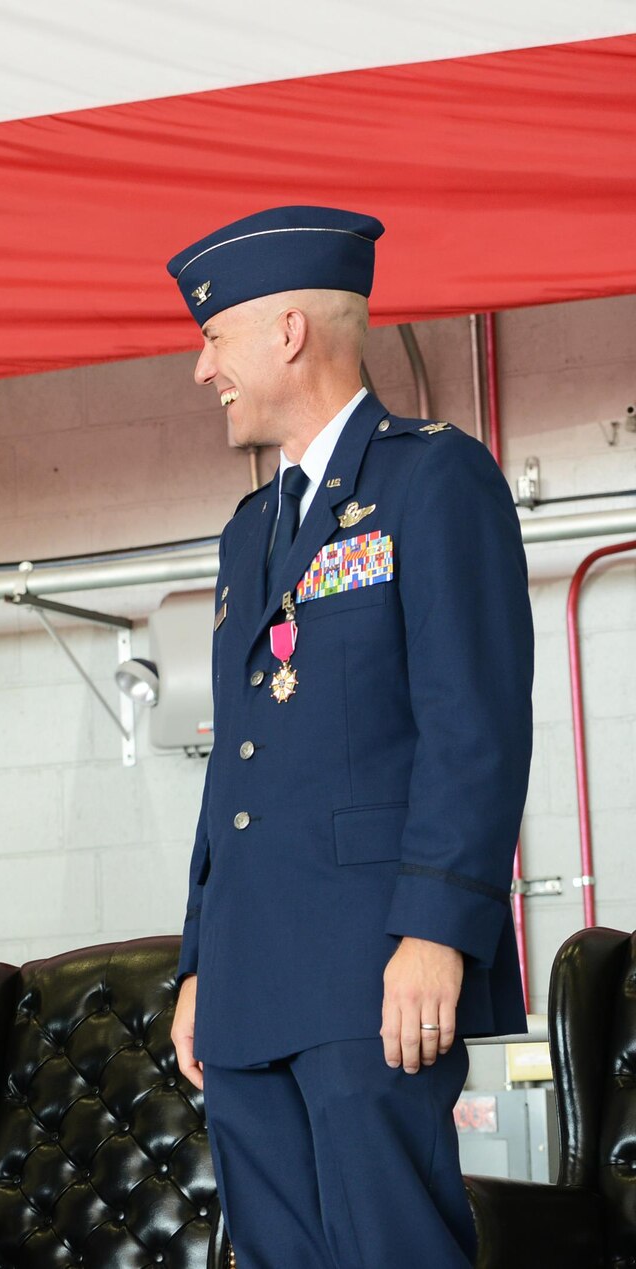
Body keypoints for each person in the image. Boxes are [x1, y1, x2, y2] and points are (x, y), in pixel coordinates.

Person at [163, 208, 531, 1268]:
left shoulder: (431, 480)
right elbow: (233, 766)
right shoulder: (250, 531)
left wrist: (434, 933)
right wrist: (197, 964)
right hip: (248, 976)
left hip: (370, 961)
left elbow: (473, 726)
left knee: (391, 1247)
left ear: (286, 330)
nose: (201, 370)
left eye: (213, 339)